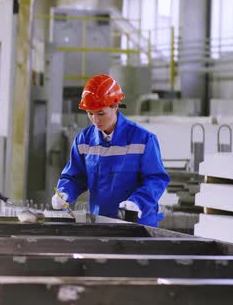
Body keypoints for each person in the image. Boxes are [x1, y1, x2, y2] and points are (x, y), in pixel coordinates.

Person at [52, 74, 170, 227]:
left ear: (115, 106)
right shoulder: (84, 141)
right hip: (100, 223)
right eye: (90, 113)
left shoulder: (143, 139)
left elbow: (156, 179)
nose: (95, 120)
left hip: (139, 225)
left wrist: (138, 203)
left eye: (101, 113)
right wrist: (64, 192)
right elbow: (75, 177)